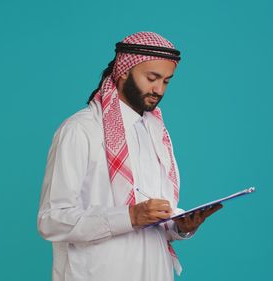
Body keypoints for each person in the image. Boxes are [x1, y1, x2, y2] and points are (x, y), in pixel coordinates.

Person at [37, 31, 222, 281]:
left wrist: (179, 227)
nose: (159, 89)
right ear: (124, 71)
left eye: (166, 81)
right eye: (152, 78)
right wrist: (129, 216)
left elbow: (154, 215)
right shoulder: (81, 130)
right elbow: (52, 220)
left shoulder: (156, 133)